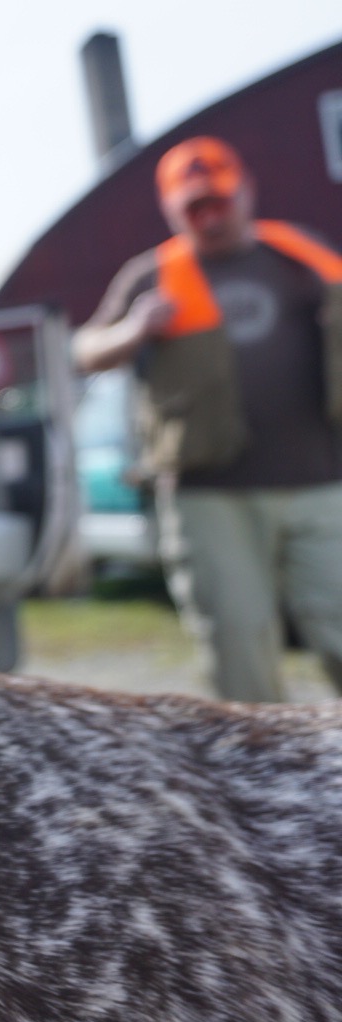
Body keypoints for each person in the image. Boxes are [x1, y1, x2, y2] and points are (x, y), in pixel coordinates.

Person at [73, 136, 342, 701]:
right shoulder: (150, 275)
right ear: (173, 210)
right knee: (240, 654)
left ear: (244, 190)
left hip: (321, 483)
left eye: (219, 200)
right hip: (210, 497)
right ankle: (268, 782)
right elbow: (86, 349)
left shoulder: (299, 255)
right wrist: (137, 329)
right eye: (196, 207)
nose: (211, 216)